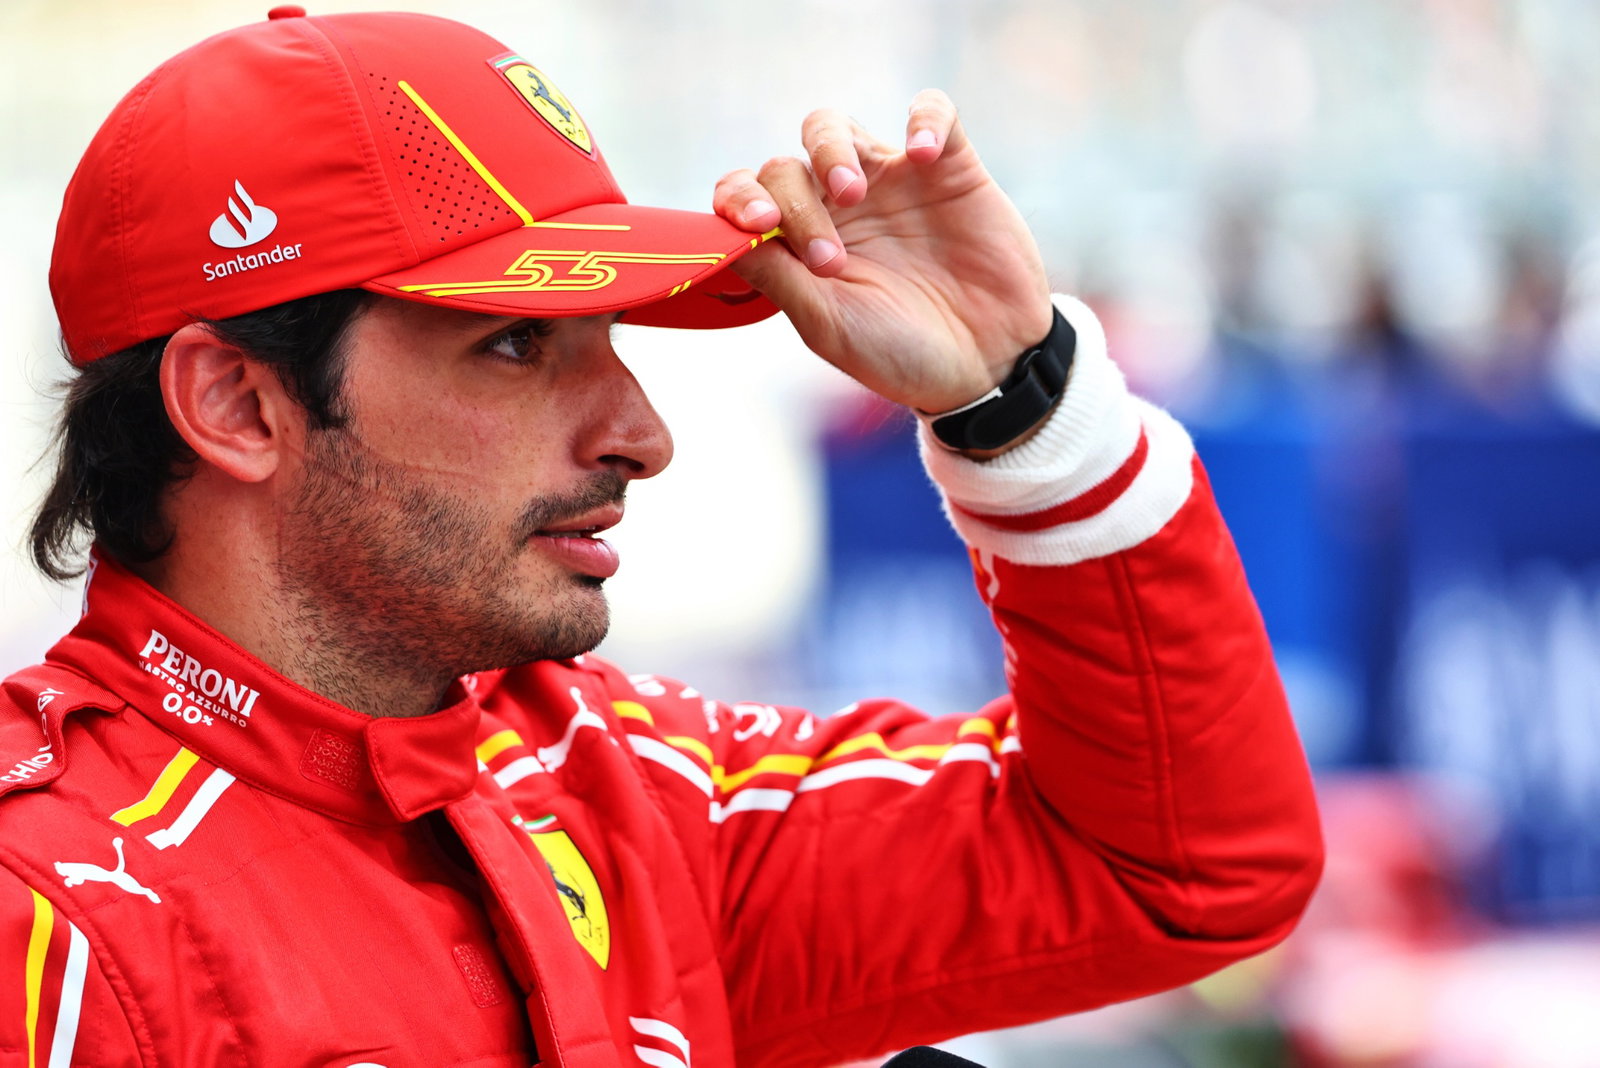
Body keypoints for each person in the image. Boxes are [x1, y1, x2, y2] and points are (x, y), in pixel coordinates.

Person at [0, 7, 1322, 1067]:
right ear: (238, 403)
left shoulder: (627, 780)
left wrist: (1019, 403)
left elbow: (1175, 871)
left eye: (611, 340)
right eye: (516, 345)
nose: (639, 431)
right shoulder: (49, 909)